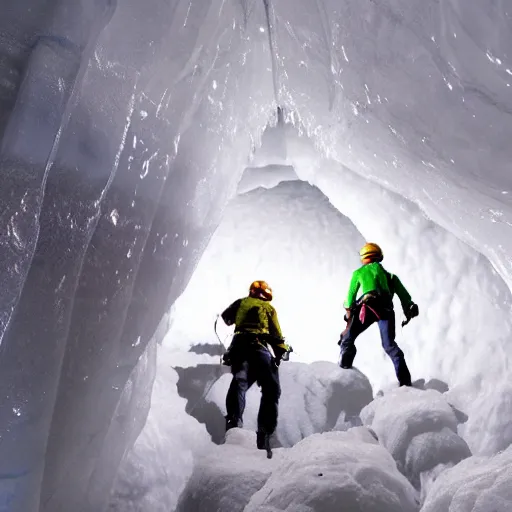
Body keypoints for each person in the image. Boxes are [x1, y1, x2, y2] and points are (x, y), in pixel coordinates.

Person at [221, 280, 290, 451]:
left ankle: (234, 424)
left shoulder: (241, 302)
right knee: (271, 389)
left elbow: (226, 318)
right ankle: (264, 435)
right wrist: (282, 351)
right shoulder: (268, 308)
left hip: (237, 347)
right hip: (259, 347)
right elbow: (276, 334)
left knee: (240, 382)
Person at [339, 243, 419, 387]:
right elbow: (405, 297)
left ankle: (344, 368)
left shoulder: (359, 273)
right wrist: (409, 306)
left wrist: (348, 313)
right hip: (386, 311)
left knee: (347, 338)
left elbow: (350, 297)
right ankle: (405, 382)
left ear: (364, 257)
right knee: (390, 346)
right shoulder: (391, 277)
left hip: (367, 309)